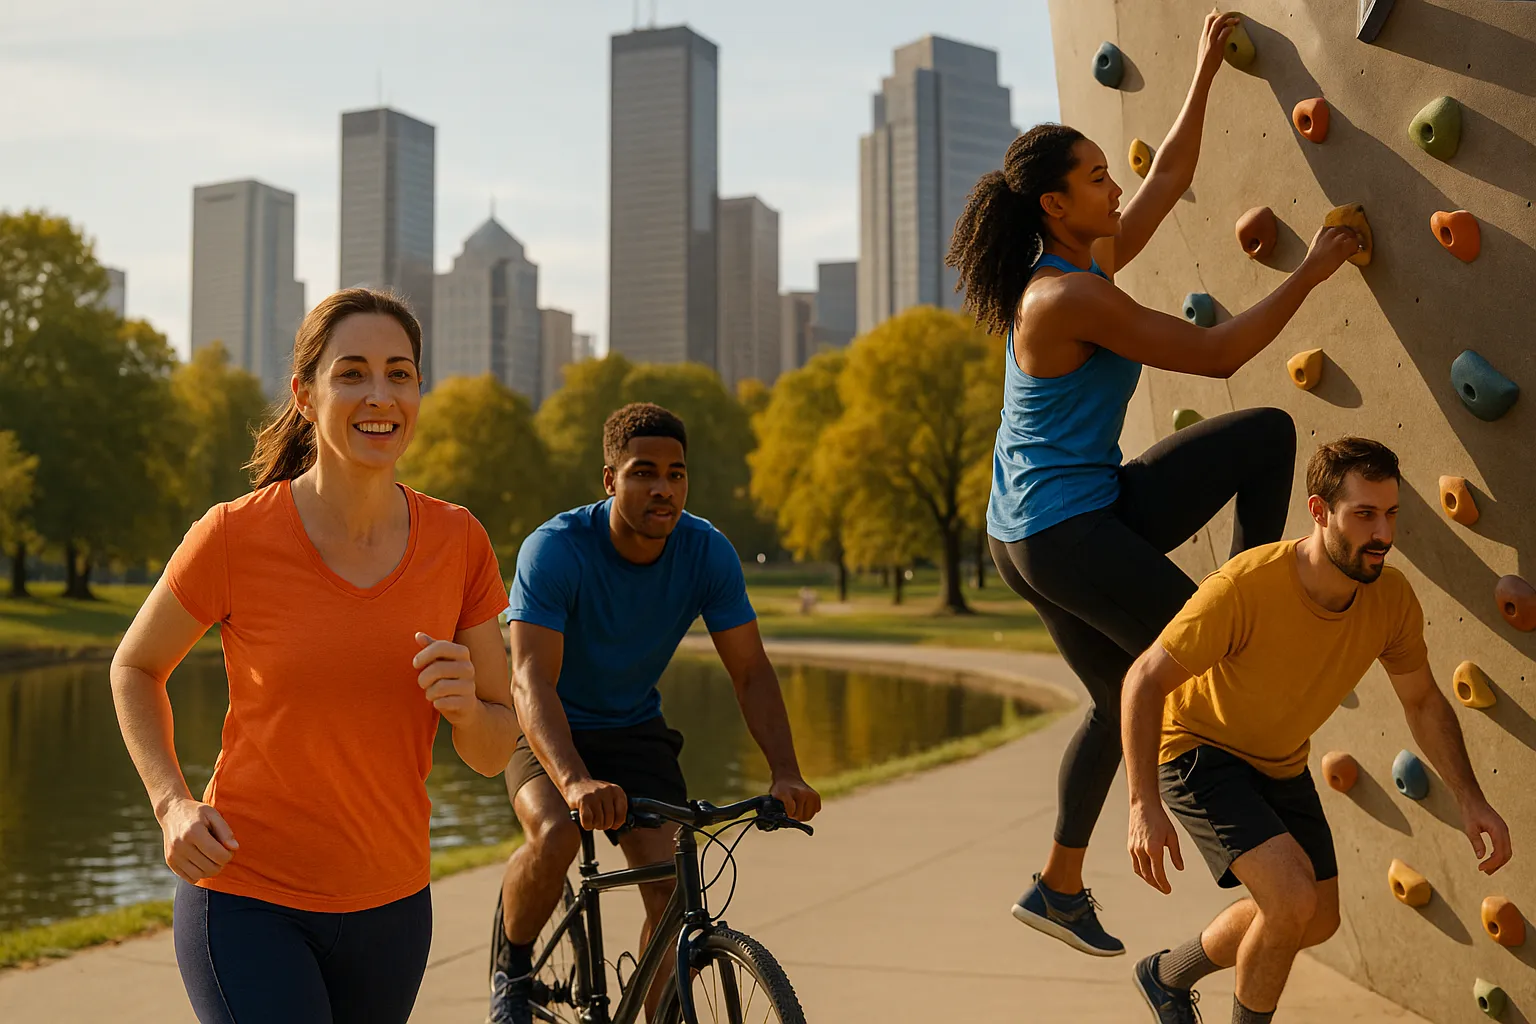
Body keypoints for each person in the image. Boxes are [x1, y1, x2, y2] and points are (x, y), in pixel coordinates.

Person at [944, 9, 1363, 956]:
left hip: (1056, 516)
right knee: (1204, 662)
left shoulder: (1088, 255)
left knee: (1264, 437)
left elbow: (1169, 174)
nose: (1115, 183)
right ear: (1055, 205)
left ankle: (1055, 886)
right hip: (1061, 534)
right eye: (1096, 179)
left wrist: (1206, 68)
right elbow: (1215, 355)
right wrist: (1315, 272)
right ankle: (1204, 817)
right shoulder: (1068, 296)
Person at [110, 288, 520, 1024]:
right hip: (246, 897)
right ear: (305, 394)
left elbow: (495, 749)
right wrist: (171, 804)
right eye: (352, 372)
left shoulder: (459, 542)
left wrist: (466, 708)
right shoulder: (234, 535)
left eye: (400, 373)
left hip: (393, 910)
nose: (379, 394)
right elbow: (135, 668)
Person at [1122, 437, 1512, 1023]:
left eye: (1391, 514)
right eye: (1364, 515)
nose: (1382, 533)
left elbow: (1424, 701)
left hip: (1278, 759)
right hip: (1198, 746)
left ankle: (1165, 975)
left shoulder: (1392, 600)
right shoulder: (1245, 587)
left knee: (1316, 917)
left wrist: (1470, 798)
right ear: (1318, 511)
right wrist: (1141, 804)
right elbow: (1144, 679)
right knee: (1289, 901)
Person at [489, 402, 822, 1024]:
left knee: (670, 889)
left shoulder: (706, 552)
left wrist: (786, 771)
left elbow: (750, 670)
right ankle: (512, 967)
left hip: (634, 729)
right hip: (547, 726)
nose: (663, 488)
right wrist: (576, 781)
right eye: (644, 472)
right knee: (558, 835)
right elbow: (530, 678)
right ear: (610, 479)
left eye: (676, 473)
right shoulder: (556, 550)